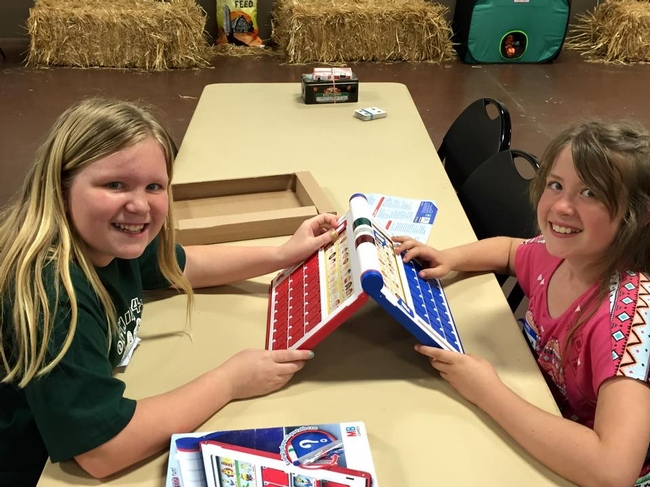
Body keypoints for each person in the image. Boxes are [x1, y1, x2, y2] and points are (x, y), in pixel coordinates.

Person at [0, 98, 340, 486]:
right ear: (61, 188)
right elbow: (102, 450)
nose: (140, 205)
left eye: (154, 186)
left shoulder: (108, 238)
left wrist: (281, 255)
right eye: (115, 185)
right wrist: (229, 381)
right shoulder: (53, 293)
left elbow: (180, 265)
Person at [394, 120, 650, 487]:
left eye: (591, 193)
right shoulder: (559, 255)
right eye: (556, 185)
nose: (562, 206)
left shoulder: (624, 323)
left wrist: (488, 392)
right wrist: (450, 257)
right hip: (542, 413)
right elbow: (512, 250)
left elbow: (612, 470)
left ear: (636, 217)